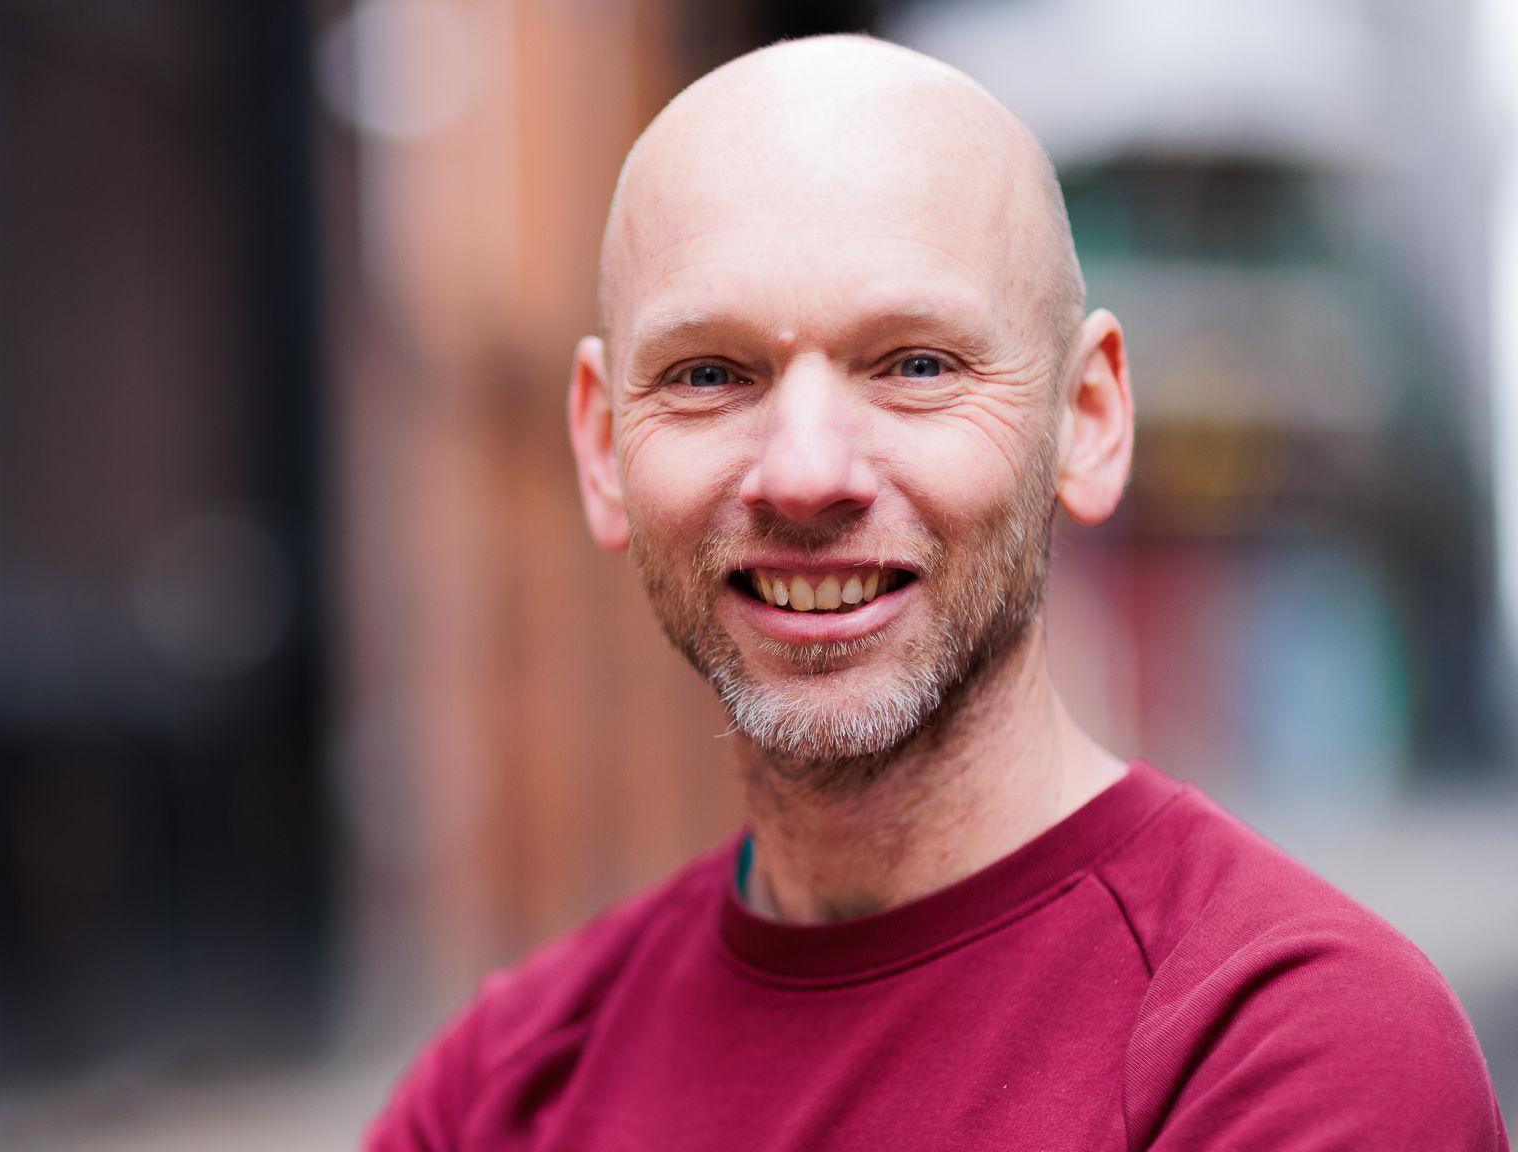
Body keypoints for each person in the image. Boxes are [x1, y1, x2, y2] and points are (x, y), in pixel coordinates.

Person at [365, 33, 1509, 1151]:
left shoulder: (1288, 1051)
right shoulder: (504, 1086)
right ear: (602, 443)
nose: (805, 474)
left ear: (1088, 420)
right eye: (708, 375)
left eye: (915, 366)